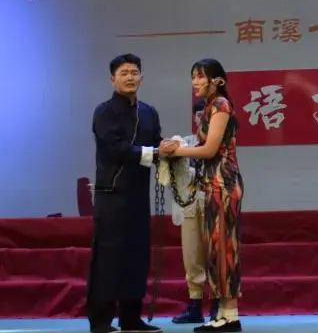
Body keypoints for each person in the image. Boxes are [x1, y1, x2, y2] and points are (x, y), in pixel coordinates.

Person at [161, 59, 244, 333]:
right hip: (211, 185)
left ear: (216, 80)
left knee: (224, 250)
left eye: (200, 76)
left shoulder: (221, 105)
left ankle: (231, 315)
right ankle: (224, 314)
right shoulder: (209, 107)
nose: (195, 82)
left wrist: (176, 151)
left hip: (223, 184)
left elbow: (209, 150)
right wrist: (176, 146)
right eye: (193, 76)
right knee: (215, 251)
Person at [85, 53, 164, 333]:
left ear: (141, 77)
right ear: (112, 79)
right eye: (124, 73)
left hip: (138, 196)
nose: (130, 77)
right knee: (108, 258)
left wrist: (173, 148)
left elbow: (157, 144)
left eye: (134, 72)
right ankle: (100, 320)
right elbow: (114, 149)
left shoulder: (149, 112)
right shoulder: (104, 112)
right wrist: (155, 152)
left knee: (136, 255)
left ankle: (131, 318)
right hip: (112, 195)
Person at [168, 100, 219, 326]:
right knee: (191, 254)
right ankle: (195, 304)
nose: (202, 118)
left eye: (206, 114)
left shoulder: (220, 140)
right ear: (194, 118)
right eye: (198, 114)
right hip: (189, 203)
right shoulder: (184, 142)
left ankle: (218, 302)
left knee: (216, 253)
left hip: (214, 201)